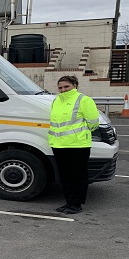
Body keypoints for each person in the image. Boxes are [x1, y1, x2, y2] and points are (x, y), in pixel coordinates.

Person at [48, 75, 99, 214]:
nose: (63, 90)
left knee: (78, 176)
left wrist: (79, 134)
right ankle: (68, 202)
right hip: (58, 145)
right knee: (65, 176)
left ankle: (76, 204)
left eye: (66, 86)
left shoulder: (84, 100)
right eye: (60, 88)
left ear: (75, 85)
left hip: (78, 145)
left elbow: (93, 122)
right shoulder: (56, 101)